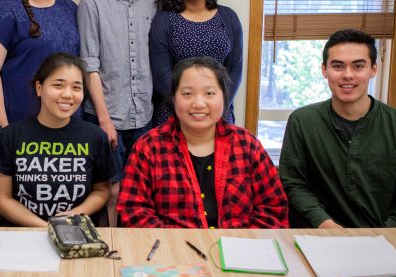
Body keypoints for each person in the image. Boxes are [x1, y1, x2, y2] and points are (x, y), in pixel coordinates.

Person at [279, 29, 396, 228]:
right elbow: (293, 185)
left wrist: (378, 236)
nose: (347, 75)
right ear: (324, 70)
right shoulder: (302, 121)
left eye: (358, 66)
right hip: (320, 237)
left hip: (388, 242)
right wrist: (325, 224)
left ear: (373, 70)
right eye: (337, 66)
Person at [117, 57, 287, 228]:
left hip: (239, 250)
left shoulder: (247, 145)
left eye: (209, 93)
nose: (198, 103)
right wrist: (173, 245)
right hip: (171, 250)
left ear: (224, 97)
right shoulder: (148, 147)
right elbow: (133, 211)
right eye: (187, 94)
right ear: (174, 99)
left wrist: (242, 244)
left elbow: (273, 209)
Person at [77, 0, 156, 226]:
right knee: (110, 190)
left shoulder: (153, 1)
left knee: (141, 191)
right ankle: (111, 245)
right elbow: (89, 64)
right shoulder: (92, 3)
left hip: (144, 116)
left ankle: (134, 250)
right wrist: (104, 120)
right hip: (106, 117)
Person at [0, 53, 115, 227]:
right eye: (58, 85)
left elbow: (102, 191)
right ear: (39, 88)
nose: (68, 95)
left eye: (76, 88)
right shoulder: (10, 135)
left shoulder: (95, 137)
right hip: (22, 235)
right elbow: (1, 200)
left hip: (75, 232)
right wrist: (46, 227)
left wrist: (75, 214)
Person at [150, 0, 243, 125]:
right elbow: (162, 79)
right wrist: (191, 110)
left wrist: (216, 108)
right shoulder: (164, 20)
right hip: (174, 116)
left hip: (219, 115)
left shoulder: (229, 17)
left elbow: (235, 71)